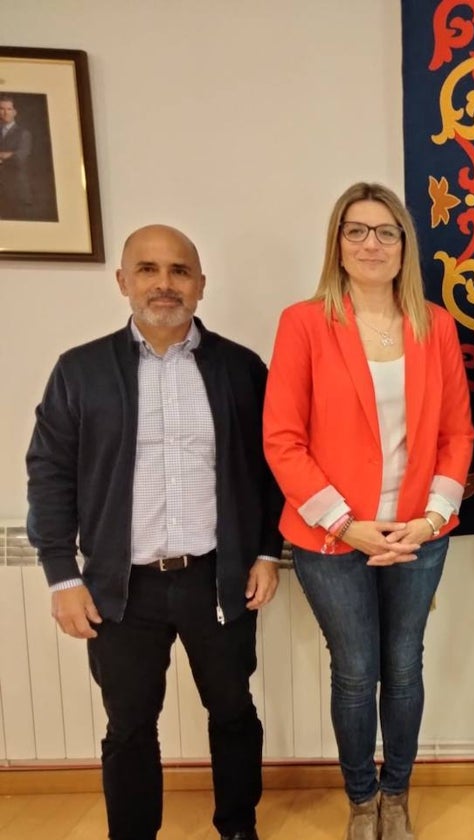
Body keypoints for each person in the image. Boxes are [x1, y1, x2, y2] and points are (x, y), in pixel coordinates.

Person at [25, 225, 283, 840]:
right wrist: (63, 575)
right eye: (147, 270)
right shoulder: (80, 370)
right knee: (130, 724)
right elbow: (50, 473)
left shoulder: (241, 370)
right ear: (122, 282)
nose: (163, 284)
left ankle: (238, 826)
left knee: (233, 712)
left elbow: (275, 466)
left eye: (178, 271)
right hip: (121, 589)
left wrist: (269, 552)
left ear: (200, 284)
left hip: (217, 578)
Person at [263, 182, 474, 840]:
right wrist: (345, 524)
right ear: (338, 244)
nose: (371, 243)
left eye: (385, 231)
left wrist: (431, 518)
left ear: (405, 244)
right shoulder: (304, 323)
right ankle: (361, 799)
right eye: (356, 231)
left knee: (404, 664)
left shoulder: (434, 324)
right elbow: (282, 438)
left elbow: (457, 436)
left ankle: (397, 792)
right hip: (333, 538)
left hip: (417, 533)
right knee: (355, 671)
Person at [0, 94, 35, 219]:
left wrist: (10, 155)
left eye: (9, 109)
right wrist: (7, 154)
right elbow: (12, 155)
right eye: (1, 109)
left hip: (15, 190)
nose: (5, 113)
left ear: (15, 112)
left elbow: (19, 158)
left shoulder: (23, 134)